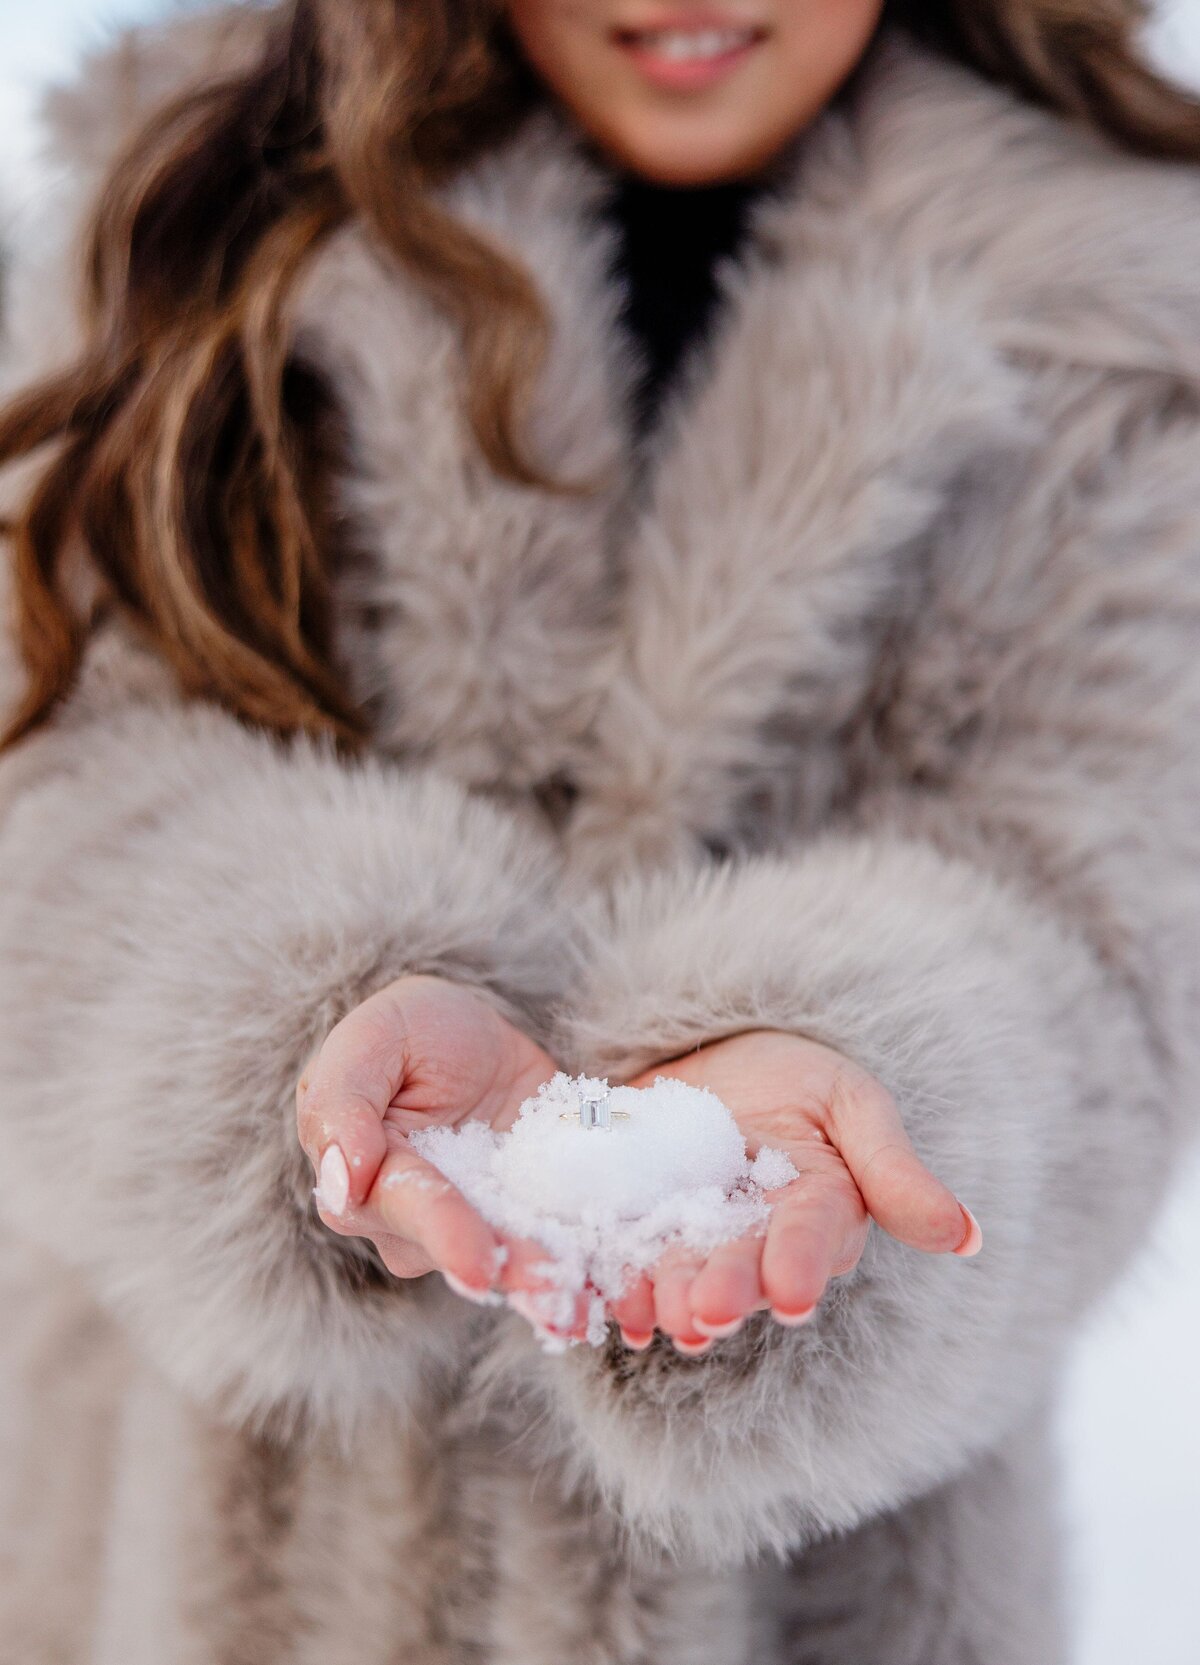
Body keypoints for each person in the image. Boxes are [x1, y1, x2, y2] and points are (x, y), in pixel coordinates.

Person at [1, 1, 1198, 1659]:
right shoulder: (192, 209)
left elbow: (1104, 922)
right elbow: (56, 788)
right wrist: (307, 1015)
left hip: (831, 1606)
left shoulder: (1130, 315)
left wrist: (854, 1067)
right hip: (201, 1572)